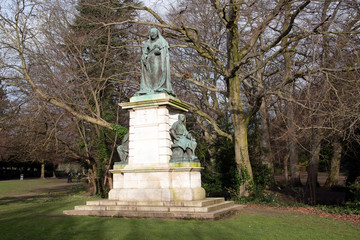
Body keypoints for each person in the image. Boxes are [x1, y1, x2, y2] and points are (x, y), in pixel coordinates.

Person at [135, 27, 175, 96]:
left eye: (154, 33)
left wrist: (159, 51)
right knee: (150, 76)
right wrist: (144, 57)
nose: (152, 34)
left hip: (158, 61)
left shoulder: (162, 41)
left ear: (157, 33)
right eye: (151, 33)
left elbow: (165, 52)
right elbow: (145, 52)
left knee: (156, 74)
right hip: (149, 62)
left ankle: (157, 88)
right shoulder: (148, 42)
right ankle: (150, 89)